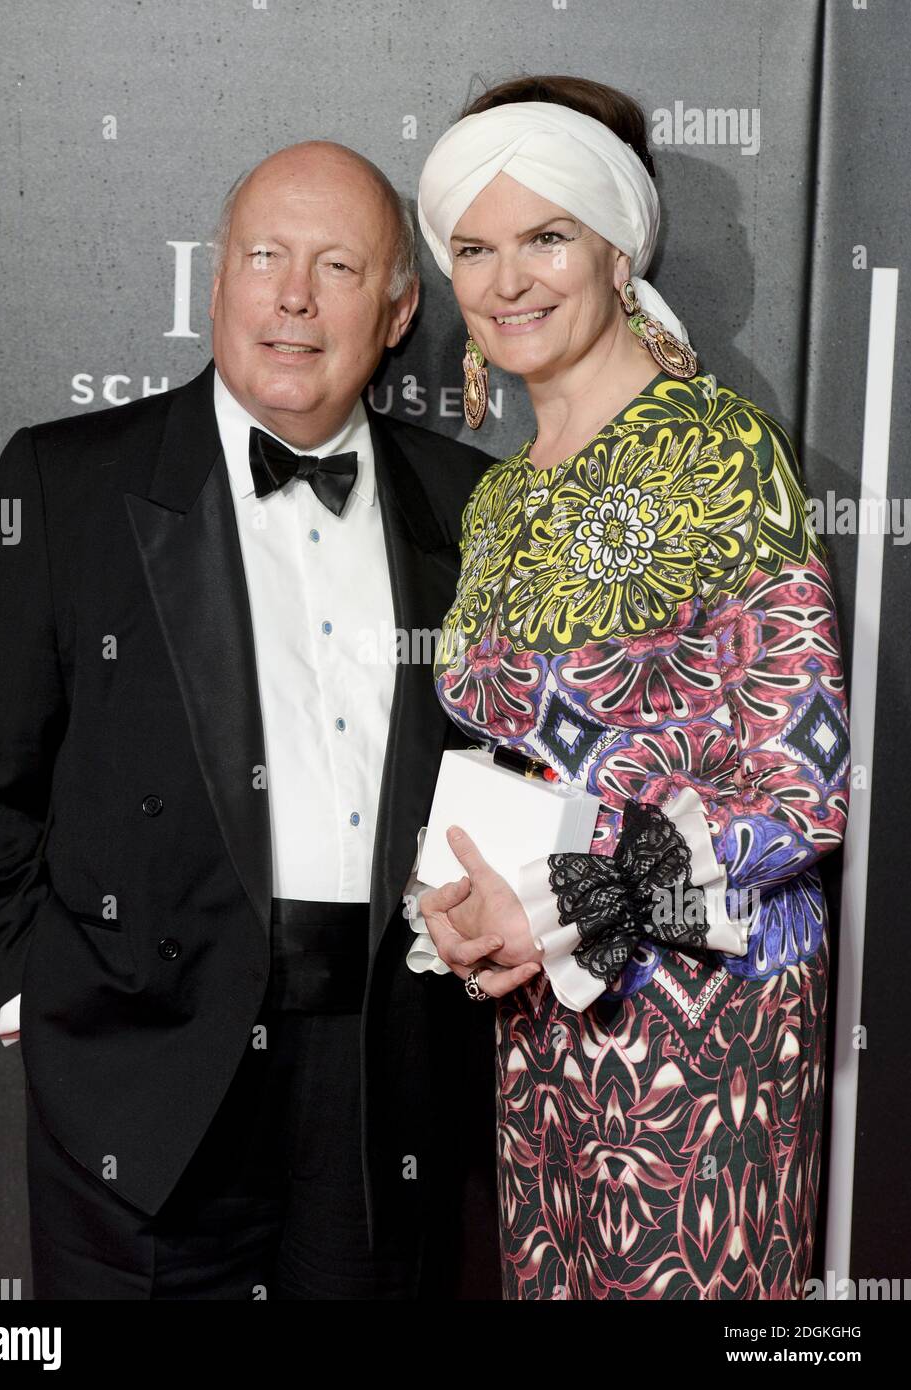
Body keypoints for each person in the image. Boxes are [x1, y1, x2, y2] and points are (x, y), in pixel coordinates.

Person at [0, 140, 501, 1299]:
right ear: (216, 278)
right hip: (145, 1064)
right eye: (262, 257)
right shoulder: (65, 481)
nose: (290, 296)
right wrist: (46, 1000)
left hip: (384, 1078)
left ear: (396, 311)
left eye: (335, 266)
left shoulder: (473, 503)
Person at [410, 75, 851, 1300]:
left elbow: (800, 786)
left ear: (616, 250)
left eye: (545, 236)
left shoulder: (714, 447)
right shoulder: (500, 498)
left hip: (702, 1020)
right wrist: (457, 906)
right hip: (536, 1014)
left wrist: (573, 896)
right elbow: (520, 764)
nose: (508, 282)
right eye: (474, 248)